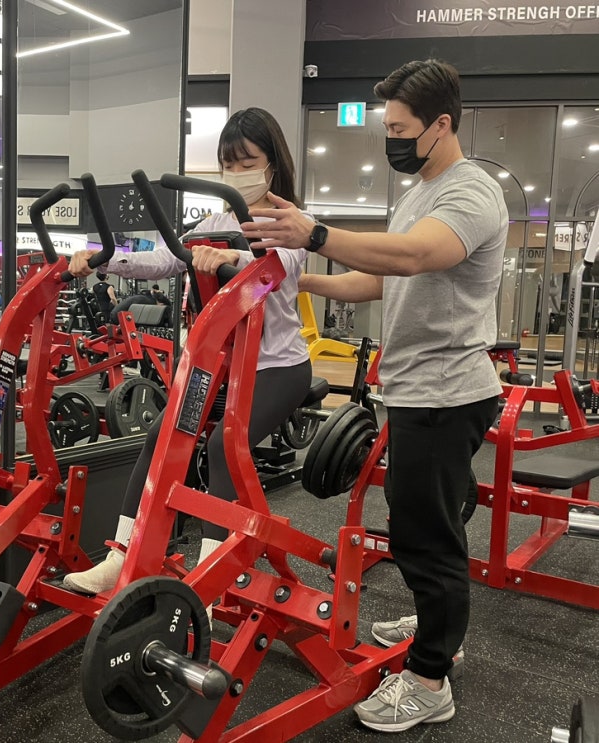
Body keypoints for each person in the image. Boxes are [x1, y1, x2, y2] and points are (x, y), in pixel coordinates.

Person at [240, 60, 508, 732]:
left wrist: (315, 234)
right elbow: (383, 281)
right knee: (420, 524)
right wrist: (301, 280)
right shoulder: (419, 193)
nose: (390, 139)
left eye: (399, 129)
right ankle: (437, 624)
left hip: (448, 391)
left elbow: (415, 257)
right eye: (386, 127)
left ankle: (429, 679)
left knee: (425, 534)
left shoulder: (470, 192)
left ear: (440, 124)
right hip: (417, 388)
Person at [63, 107, 313, 597]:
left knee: (224, 448)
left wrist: (234, 254)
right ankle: (122, 555)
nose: (236, 173)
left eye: (247, 162)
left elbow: (279, 262)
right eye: (228, 163)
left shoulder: (292, 222)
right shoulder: (214, 220)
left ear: (272, 163)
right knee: (161, 438)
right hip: (220, 367)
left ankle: (212, 580)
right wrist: (102, 259)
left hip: (278, 368)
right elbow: (162, 259)